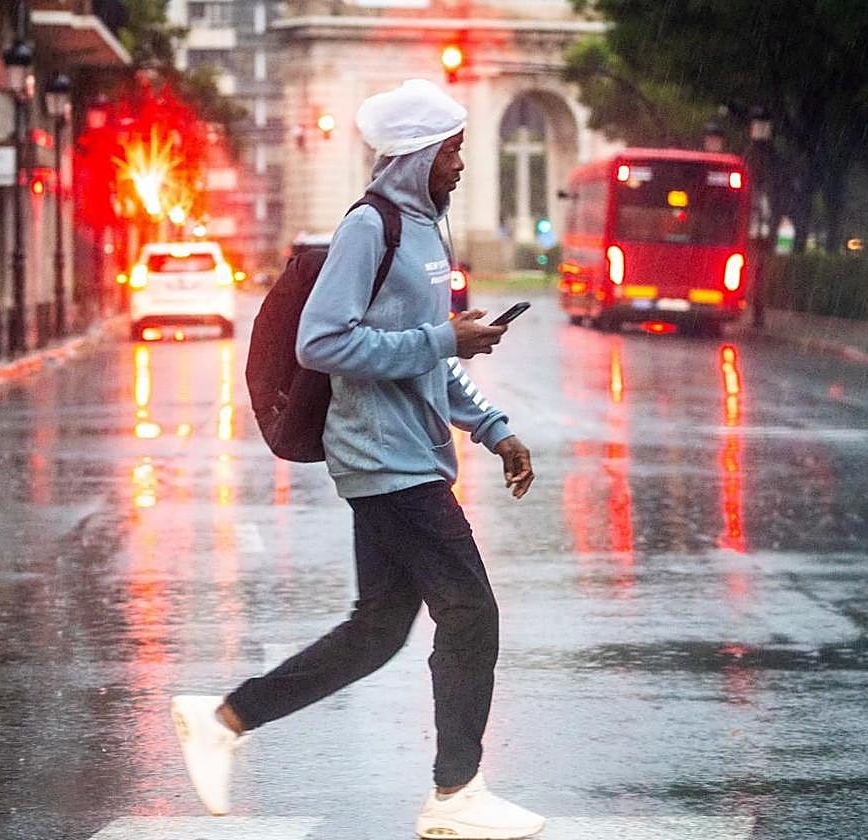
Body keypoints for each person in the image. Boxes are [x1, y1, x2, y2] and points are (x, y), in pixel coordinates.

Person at [171, 79, 546, 840]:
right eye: (452, 152)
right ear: (415, 157)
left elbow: (430, 361)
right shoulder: (369, 229)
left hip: (412, 453)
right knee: (471, 610)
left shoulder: (425, 234)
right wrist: (447, 337)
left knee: (377, 630)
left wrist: (493, 427)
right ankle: (455, 793)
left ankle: (223, 720)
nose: (461, 165)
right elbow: (323, 341)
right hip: (381, 460)